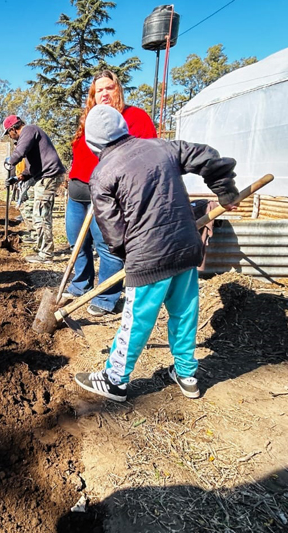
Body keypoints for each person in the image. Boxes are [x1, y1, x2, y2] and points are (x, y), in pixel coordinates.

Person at [73, 105, 239, 402]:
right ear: (123, 128)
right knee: (185, 313)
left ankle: (114, 381)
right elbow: (207, 156)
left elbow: (111, 229)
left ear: (93, 143)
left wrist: (128, 254)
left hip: (149, 258)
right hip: (187, 248)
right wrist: (224, 189)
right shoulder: (162, 147)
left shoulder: (102, 174)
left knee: (135, 322)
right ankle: (187, 374)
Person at [65, 70, 158, 317]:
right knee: (77, 242)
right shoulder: (89, 118)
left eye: (109, 88)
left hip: (107, 194)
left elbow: (149, 155)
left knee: (107, 245)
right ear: (92, 96)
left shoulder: (134, 117)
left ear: (118, 89)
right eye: (98, 90)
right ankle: (80, 285)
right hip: (77, 192)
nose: (104, 93)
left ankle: (106, 296)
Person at [2, 115, 66, 264]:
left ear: (13, 129)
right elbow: (32, 168)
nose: (10, 137)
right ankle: (42, 247)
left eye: (8, 133)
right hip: (44, 176)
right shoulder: (30, 135)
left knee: (40, 215)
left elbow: (20, 151)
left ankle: (46, 254)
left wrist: (10, 162)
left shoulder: (29, 130)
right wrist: (19, 177)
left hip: (48, 175)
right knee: (35, 211)